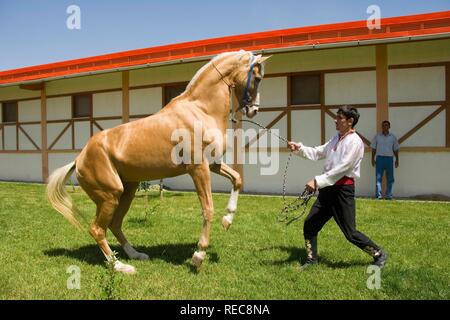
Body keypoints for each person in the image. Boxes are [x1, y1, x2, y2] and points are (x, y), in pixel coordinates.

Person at [288, 106, 387, 270]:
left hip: (342, 191)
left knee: (350, 233)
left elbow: (343, 168)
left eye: (339, 117)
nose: (335, 120)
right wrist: (300, 149)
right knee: (310, 224)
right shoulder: (336, 138)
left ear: (350, 121)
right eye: (336, 117)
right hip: (327, 190)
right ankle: (312, 260)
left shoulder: (355, 142)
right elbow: (318, 152)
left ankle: (378, 253)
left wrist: (317, 181)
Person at [371, 121, 400, 200]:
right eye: (383, 125)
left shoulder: (393, 137)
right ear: (382, 127)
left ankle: (389, 196)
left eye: (386, 125)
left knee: (390, 178)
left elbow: (396, 149)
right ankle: (378, 196)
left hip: (389, 159)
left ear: (389, 127)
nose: (385, 127)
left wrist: (397, 159)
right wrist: (372, 159)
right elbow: (373, 148)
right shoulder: (377, 137)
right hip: (379, 158)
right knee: (378, 178)